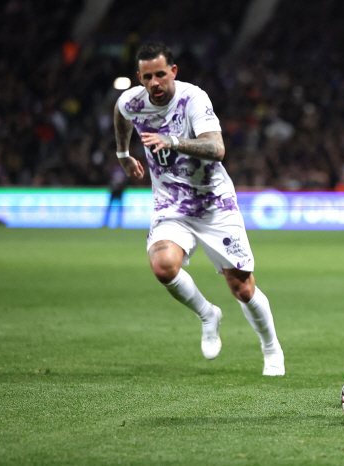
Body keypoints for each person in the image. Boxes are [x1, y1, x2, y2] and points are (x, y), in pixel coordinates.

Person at [113, 41, 284, 376]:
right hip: (170, 206)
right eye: (147, 77)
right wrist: (122, 152)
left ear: (173, 71)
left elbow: (218, 148)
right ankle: (208, 313)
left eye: (161, 74)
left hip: (213, 204)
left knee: (242, 287)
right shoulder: (131, 101)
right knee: (163, 266)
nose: (155, 83)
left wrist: (174, 141)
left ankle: (270, 348)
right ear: (139, 77)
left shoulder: (193, 99)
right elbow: (121, 114)